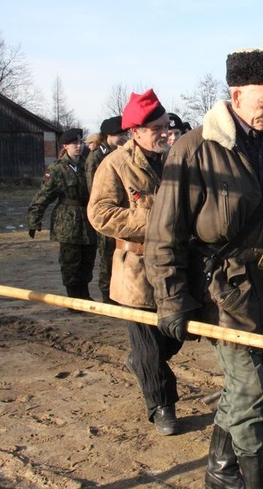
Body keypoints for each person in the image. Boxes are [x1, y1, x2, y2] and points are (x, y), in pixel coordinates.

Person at [145, 48, 263, 488]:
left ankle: (220, 467)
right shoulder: (195, 151)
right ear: (236, 95)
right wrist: (172, 298)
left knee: (247, 385)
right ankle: (254, 479)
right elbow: (165, 234)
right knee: (252, 388)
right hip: (220, 291)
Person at [87, 89, 183, 436]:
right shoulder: (114, 164)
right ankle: (161, 405)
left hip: (174, 267)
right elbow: (99, 214)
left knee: (174, 334)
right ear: (135, 132)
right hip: (135, 271)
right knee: (148, 343)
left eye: (166, 125)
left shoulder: (176, 160)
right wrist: (153, 222)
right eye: (156, 127)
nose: (164, 132)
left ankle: (141, 363)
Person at [27, 128, 97, 301]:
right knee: (70, 261)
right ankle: (73, 297)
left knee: (88, 259)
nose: (79, 146)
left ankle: (85, 295)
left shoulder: (88, 164)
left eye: (80, 142)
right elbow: (43, 196)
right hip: (68, 222)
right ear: (66, 146)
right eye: (74, 143)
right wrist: (34, 220)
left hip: (88, 219)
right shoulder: (58, 169)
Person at [85, 115, 129, 303]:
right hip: (107, 214)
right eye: (120, 134)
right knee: (107, 258)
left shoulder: (119, 154)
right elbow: (94, 190)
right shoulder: (97, 157)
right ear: (109, 135)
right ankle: (107, 298)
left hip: (121, 214)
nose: (124, 137)